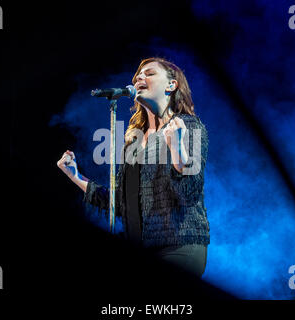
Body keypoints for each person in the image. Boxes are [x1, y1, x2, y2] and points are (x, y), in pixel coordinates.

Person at [57, 57, 210, 277]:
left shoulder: (187, 125)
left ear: (171, 85)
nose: (139, 77)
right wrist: (75, 176)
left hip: (179, 245)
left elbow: (189, 193)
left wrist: (177, 147)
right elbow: (121, 203)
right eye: (138, 74)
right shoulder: (133, 142)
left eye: (149, 73)